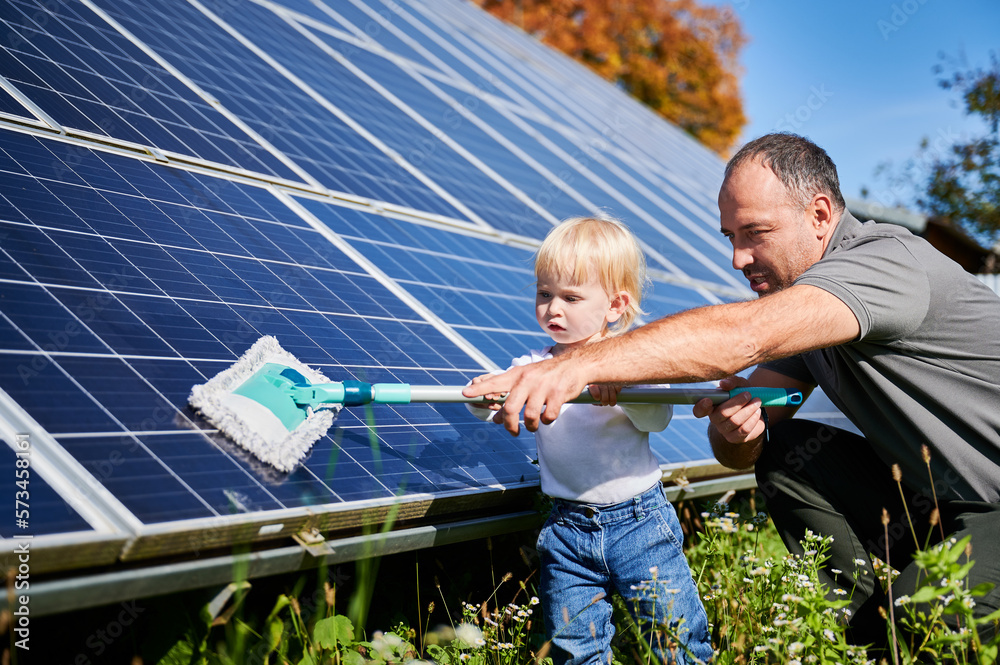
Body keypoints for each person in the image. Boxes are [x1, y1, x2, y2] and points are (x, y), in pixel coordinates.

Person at [464, 133, 1000, 647]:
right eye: (730, 238)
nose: (738, 258)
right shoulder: (813, 315)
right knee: (788, 453)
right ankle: (865, 635)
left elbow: (741, 337)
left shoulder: (884, 263)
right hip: (947, 504)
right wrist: (738, 430)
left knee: (920, 619)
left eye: (755, 233)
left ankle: (898, 627)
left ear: (819, 216)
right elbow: (739, 449)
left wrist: (577, 365)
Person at [467, 216, 713, 664]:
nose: (552, 309)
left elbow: (657, 416)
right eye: (544, 294)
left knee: (675, 640)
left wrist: (618, 386)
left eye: (570, 297)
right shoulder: (533, 364)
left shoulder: (630, 363)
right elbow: (498, 398)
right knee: (574, 646)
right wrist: (485, 395)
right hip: (566, 528)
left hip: (639, 523)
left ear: (615, 306)